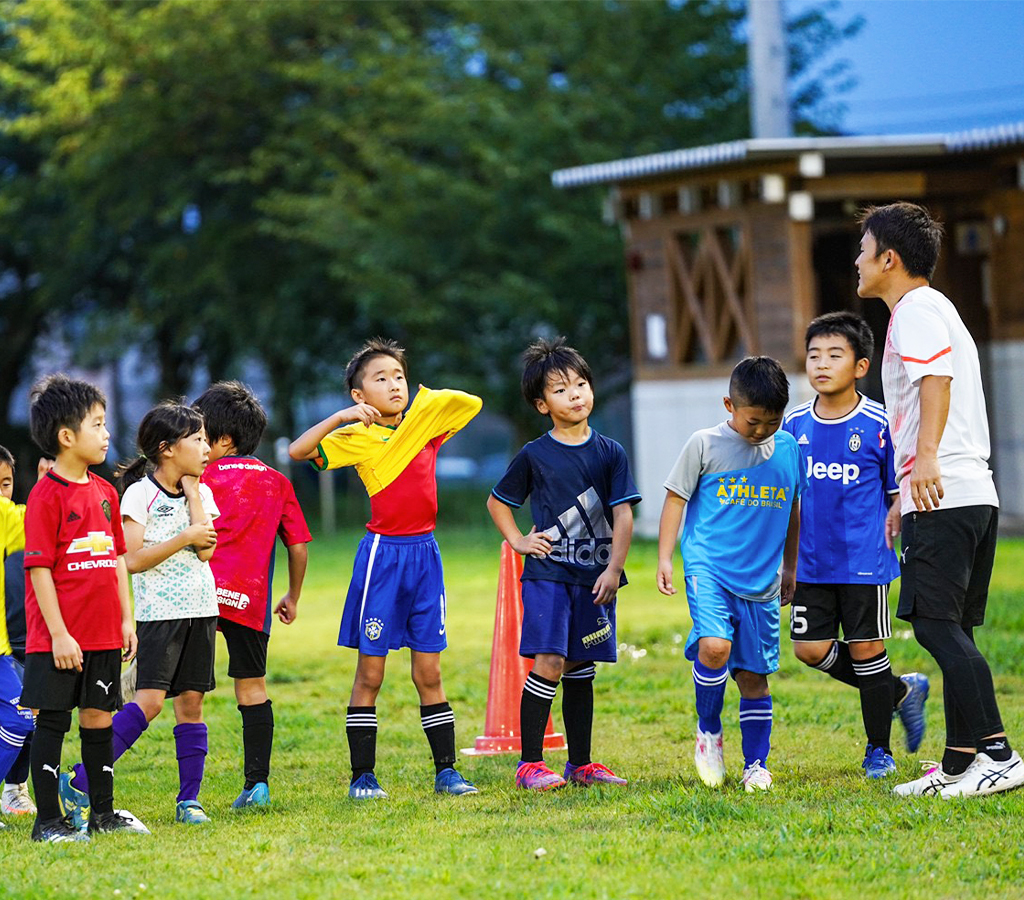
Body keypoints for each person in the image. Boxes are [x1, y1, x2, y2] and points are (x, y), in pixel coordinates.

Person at [856, 201, 1023, 797]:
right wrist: (905, 488)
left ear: (889, 258)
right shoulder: (935, 309)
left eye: (864, 249)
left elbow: (935, 382)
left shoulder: (916, 309)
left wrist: (923, 462)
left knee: (933, 627)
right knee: (955, 629)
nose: (857, 260)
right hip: (967, 490)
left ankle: (999, 755)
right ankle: (959, 763)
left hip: (946, 490)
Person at [289, 338, 481, 799]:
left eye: (399, 376)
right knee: (370, 674)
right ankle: (363, 778)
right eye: (380, 379)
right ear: (359, 396)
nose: (394, 385)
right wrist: (341, 418)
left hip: (426, 557)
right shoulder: (355, 436)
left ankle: (447, 772)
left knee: (429, 673)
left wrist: (419, 411)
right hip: (382, 558)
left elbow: (469, 403)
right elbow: (299, 452)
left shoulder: (424, 427)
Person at [487, 337, 640, 791]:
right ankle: (530, 765)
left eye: (580, 384)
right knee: (550, 661)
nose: (575, 394)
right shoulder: (535, 454)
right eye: (560, 389)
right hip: (548, 576)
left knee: (581, 665)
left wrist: (614, 569)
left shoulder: (610, 452)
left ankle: (581, 765)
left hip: (594, 578)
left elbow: (623, 513)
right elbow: (498, 502)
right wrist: (518, 540)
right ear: (541, 404)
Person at [782, 312, 929, 778]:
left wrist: (898, 511)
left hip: (865, 560)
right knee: (809, 649)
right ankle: (899, 692)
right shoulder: (793, 425)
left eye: (834, 355)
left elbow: (896, 491)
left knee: (867, 650)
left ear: (861, 366)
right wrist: (785, 565)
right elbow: (786, 501)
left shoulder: (879, 423)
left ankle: (877, 751)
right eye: (814, 355)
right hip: (808, 564)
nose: (821, 364)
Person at [59, 401, 220, 826]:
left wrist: (191, 497)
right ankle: (81, 778)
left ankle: (190, 801)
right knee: (148, 704)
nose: (207, 448)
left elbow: (207, 550)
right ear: (167, 449)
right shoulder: (139, 493)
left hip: (202, 610)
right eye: (198, 439)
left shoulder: (201, 492)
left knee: (192, 704)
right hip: (158, 615)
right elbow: (129, 559)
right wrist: (184, 534)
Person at [657, 357, 804, 792]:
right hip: (709, 568)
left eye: (772, 422)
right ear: (729, 405)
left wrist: (791, 566)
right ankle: (708, 732)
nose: (761, 431)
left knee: (754, 679)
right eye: (754, 421)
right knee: (716, 647)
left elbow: (795, 510)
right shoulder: (704, 443)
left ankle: (755, 764)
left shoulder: (790, 449)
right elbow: (674, 499)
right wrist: (665, 558)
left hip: (761, 581)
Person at [21, 374, 147, 842]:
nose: (107, 433)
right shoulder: (45, 496)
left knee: (99, 718)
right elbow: (39, 571)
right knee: (52, 722)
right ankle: (47, 822)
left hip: (102, 635)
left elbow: (116, 558)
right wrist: (58, 634)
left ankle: (103, 814)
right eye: (98, 424)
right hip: (58, 638)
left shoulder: (105, 492)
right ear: (67, 437)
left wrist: (125, 617)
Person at [193, 380, 311, 809]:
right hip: (250, 600)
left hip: (197, 596)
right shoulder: (277, 482)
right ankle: (256, 785)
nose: (198, 444)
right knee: (252, 687)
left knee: (189, 693)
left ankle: (190, 794)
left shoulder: (198, 476)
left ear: (223, 439)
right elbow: (298, 546)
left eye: (201, 435)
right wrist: (292, 596)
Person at [1, 445, 42, 819]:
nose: (2, 494)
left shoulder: (18, 526)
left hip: (22, 638)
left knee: (29, 714)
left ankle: (15, 788)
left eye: (7, 484)